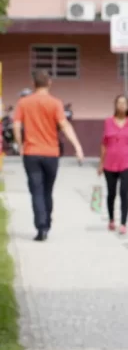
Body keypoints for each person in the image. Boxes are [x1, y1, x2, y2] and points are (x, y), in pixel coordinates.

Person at [12, 71, 84, 241]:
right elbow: (64, 125)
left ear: (33, 83)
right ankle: (47, 223)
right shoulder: (55, 103)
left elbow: (16, 126)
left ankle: (41, 227)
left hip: (31, 153)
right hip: (51, 153)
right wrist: (78, 147)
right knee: (47, 191)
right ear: (49, 83)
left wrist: (20, 145)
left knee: (36, 191)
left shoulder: (23, 103)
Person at [98, 95, 128, 235]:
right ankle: (111, 219)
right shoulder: (108, 122)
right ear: (115, 105)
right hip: (110, 163)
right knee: (111, 193)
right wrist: (101, 164)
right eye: (119, 103)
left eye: (124, 103)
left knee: (124, 191)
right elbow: (104, 144)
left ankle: (123, 223)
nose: (122, 105)